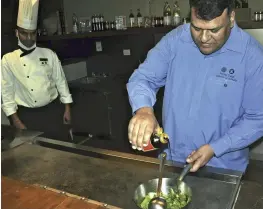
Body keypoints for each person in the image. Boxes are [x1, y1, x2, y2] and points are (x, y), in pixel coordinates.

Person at [127, 0, 263, 172]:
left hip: (222, 167)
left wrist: (216, 147)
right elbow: (143, 77)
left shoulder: (253, 57)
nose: (204, 38)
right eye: (197, 28)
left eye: (214, 30)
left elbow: (258, 118)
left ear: (231, 18)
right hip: (173, 160)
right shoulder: (176, 40)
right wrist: (144, 110)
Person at [1, 0, 73, 140]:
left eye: (32, 34)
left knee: (62, 151)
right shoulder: (7, 60)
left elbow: (61, 82)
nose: (29, 38)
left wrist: (67, 109)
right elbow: (7, 94)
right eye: (24, 33)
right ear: (16, 33)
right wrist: (16, 121)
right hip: (27, 116)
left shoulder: (49, 54)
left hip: (52, 111)